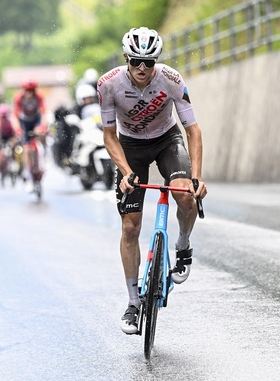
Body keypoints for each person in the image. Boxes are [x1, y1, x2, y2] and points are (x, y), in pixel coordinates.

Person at [98, 27, 208, 334]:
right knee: (130, 226)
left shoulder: (171, 80)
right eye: (136, 61)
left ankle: (183, 245)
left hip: (166, 140)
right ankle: (133, 303)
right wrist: (124, 171)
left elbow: (193, 130)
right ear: (126, 59)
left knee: (185, 195)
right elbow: (109, 136)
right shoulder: (108, 85)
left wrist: (196, 176)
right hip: (129, 146)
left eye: (149, 62)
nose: (142, 68)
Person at [12, 79, 48, 191]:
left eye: (31, 91)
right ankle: (28, 177)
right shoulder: (19, 98)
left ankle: (43, 160)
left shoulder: (39, 97)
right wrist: (17, 129)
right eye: (27, 90)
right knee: (26, 148)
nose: (29, 93)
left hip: (36, 120)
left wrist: (42, 127)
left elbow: (44, 113)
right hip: (24, 122)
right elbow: (14, 116)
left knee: (41, 135)